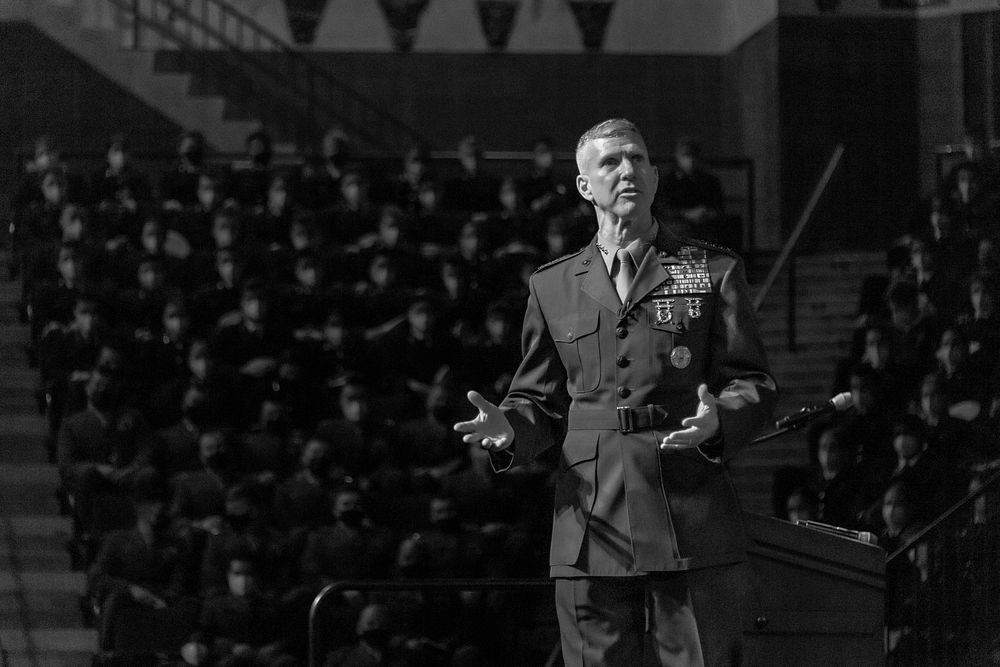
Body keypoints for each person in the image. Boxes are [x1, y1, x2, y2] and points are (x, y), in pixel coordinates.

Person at [454, 118, 777, 666]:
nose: (626, 170)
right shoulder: (552, 285)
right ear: (585, 186)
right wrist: (511, 429)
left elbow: (754, 381)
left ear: (654, 176)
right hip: (589, 515)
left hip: (685, 503)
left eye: (637, 159)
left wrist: (722, 417)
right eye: (609, 162)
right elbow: (538, 400)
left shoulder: (710, 270)